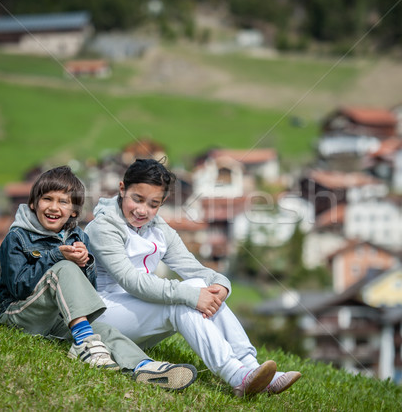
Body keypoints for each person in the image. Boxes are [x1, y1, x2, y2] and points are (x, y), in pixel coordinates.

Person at [84, 159, 301, 397]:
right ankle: (236, 376)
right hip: (104, 316)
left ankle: (251, 367)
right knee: (181, 302)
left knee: (199, 285)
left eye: (153, 204)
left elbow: (195, 270)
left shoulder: (158, 228)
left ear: (162, 203)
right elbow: (131, 282)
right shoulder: (103, 227)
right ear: (122, 189)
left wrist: (220, 285)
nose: (143, 210)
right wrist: (190, 295)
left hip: (137, 313)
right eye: (137, 199)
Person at [0, 165, 197, 391]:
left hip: (55, 319)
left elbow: (88, 294)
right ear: (33, 203)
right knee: (64, 268)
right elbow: (18, 287)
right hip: (19, 314)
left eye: (63, 202)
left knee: (104, 330)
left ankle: (144, 366)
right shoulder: (17, 236)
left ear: (73, 211)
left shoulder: (77, 236)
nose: (54, 207)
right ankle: (86, 345)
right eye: (47, 199)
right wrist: (55, 257)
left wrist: (86, 264)